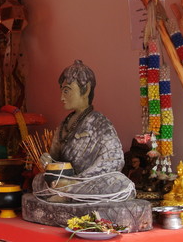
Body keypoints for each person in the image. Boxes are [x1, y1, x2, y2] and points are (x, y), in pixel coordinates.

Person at [33, 60, 135, 202]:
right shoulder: (64, 125)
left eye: (67, 91)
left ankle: (67, 193)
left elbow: (114, 160)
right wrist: (48, 162)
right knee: (38, 181)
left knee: (121, 183)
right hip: (64, 181)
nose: (61, 97)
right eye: (62, 91)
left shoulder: (100, 123)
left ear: (86, 89)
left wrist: (76, 181)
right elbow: (56, 160)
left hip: (89, 181)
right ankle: (69, 193)